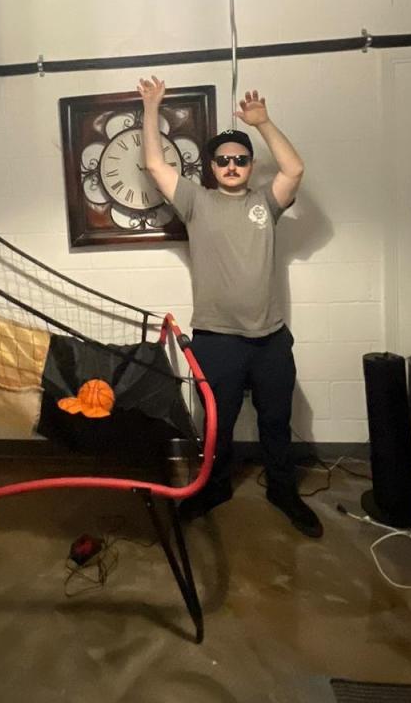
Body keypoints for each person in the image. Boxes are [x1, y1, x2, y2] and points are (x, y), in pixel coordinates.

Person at [137, 75, 322, 538]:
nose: (233, 165)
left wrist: (262, 123)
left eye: (241, 159)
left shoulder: (267, 201)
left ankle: (283, 491)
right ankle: (214, 488)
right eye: (224, 160)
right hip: (217, 340)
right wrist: (151, 107)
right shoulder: (196, 202)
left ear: (250, 164)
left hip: (270, 339)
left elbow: (294, 170)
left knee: (276, 421)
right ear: (213, 167)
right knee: (216, 425)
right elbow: (155, 164)